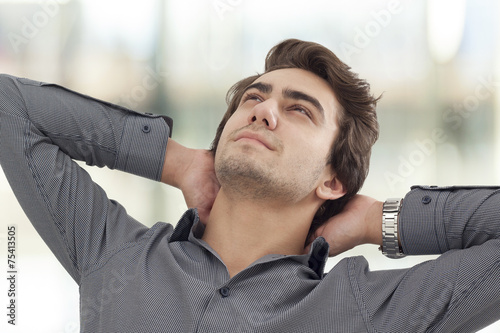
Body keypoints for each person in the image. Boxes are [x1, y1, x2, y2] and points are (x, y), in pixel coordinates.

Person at [0, 39, 499, 332]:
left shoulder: (364, 312)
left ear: (334, 179)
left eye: (298, 109)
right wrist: (174, 162)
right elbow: (9, 104)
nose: (263, 110)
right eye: (255, 98)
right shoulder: (114, 254)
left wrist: (377, 221)